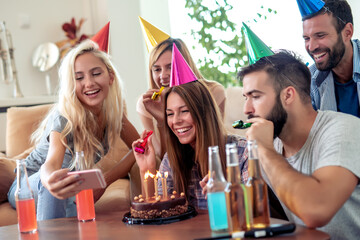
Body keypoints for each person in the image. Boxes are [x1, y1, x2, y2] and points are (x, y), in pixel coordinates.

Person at [7, 39, 139, 220]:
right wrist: (49, 180)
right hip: (29, 185)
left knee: (78, 213)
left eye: (96, 73)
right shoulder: (64, 116)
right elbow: (52, 164)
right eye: (79, 78)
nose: (89, 83)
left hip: (70, 190)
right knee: (57, 179)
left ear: (110, 77)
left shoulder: (113, 114)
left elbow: (140, 147)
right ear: (71, 84)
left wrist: (105, 181)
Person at [238, 50, 360, 239]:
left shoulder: (344, 129)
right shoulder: (272, 147)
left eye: (255, 96)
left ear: (288, 95)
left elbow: (316, 210)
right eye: (245, 98)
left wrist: (264, 150)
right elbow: (274, 220)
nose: (246, 109)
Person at [133, 80, 247, 209]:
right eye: (170, 114)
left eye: (184, 111)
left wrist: (227, 193)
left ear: (205, 112)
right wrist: (146, 169)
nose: (176, 121)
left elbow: (259, 209)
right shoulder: (171, 160)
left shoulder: (243, 151)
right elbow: (158, 213)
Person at [137, 38, 226, 158]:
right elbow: (163, 158)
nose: (163, 76)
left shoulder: (213, 91)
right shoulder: (146, 105)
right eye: (157, 69)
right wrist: (161, 122)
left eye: (170, 67)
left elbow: (214, 141)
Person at [302, 0, 360, 117]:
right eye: (307, 38)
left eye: (320, 35)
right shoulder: (310, 81)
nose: (311, 47)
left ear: (347, 33)